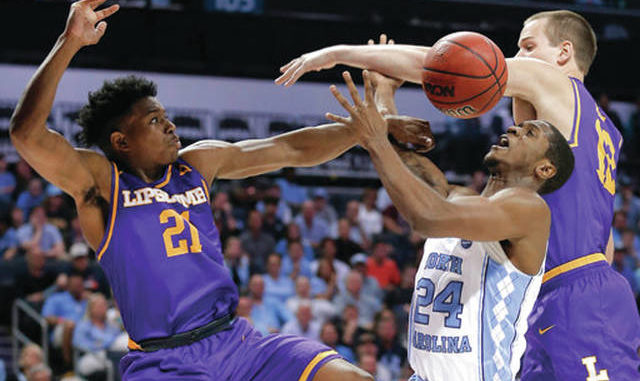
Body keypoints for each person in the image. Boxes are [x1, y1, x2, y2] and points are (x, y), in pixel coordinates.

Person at [7, 1, 433, 379]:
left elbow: (287, 148)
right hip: (165, 362)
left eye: (166, 116)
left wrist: (371, 130)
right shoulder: (101, 184)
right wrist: (69, 41)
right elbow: (26, 134)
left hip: (239, 344)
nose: (171, 125)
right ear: (122, 142)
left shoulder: (197, 164)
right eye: (155, 121)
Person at [277, 13, 640, 379]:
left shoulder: (554, 81)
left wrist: (337, 53)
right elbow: (603, 241)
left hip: (574, 296)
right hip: (562, 293)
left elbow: (441, 63)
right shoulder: (604, 129)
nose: (516, 56)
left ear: (564, 52)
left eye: (528, 46)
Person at [324, 70, 573, 380]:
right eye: (519, 126)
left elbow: (427, 217)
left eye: (529, 133)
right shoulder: (458, 199)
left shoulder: (530, 211)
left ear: (544, 168)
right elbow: (401, 161)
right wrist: (384, 93)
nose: (513, 127)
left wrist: (376, 141)